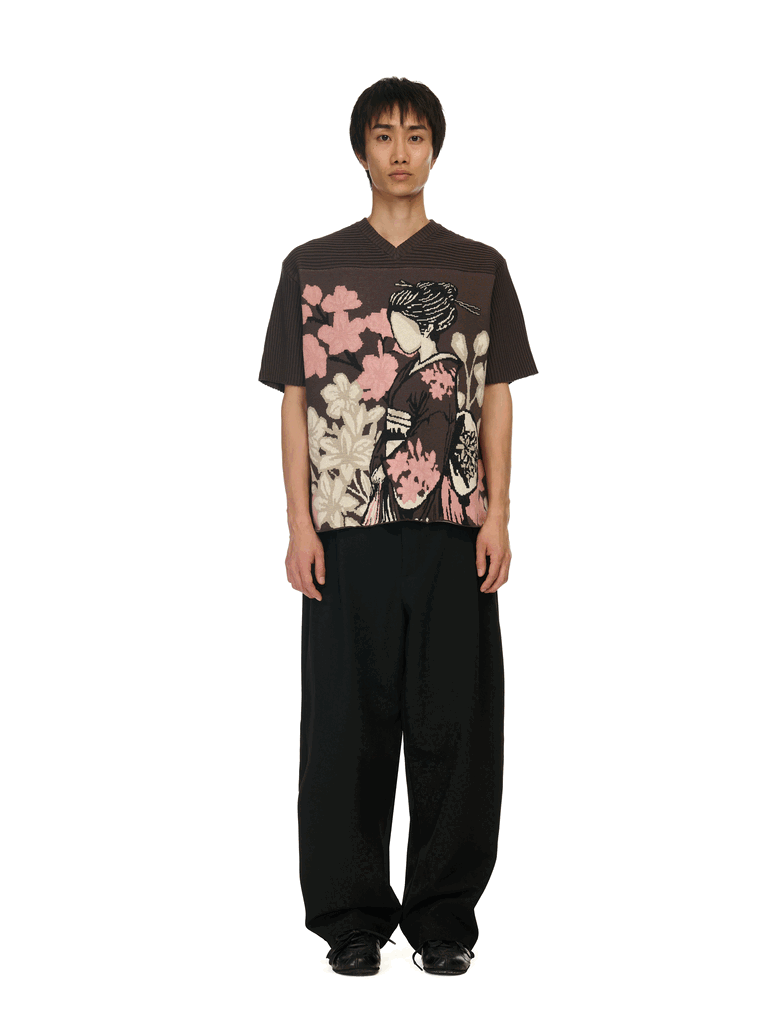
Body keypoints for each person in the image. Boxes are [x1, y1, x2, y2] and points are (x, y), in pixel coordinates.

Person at [257, 76, 539, 976]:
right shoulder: (311, 266)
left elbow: (496, 396)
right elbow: (294, 401)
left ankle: (444, 920)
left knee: (457, 723)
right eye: (383, 135)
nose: (401, 151)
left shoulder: (478, 267)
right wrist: (299, 524)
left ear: (436, 148)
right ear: (361, 149)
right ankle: (350, 921)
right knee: (346, 728)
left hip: (454, 529)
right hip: (345, 535)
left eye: (416, 134)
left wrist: (499, 512)